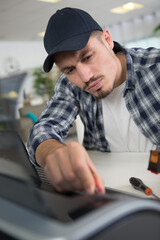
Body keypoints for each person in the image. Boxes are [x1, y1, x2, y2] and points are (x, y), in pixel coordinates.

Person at [28, 7, 160, 195]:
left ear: (107, 40)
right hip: (104, 189)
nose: (85, 76)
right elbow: (43, 128)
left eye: (88, 56)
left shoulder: (155, 66)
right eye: (70, 70)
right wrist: (53, 153)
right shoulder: (69, 85)